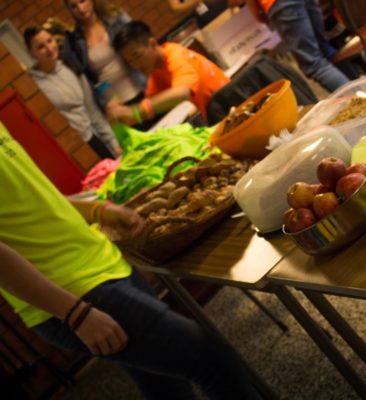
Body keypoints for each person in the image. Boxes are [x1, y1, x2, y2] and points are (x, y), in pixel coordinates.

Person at [0, 121, 261, 400]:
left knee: (165, 385)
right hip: (75, 289)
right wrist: (74, 313)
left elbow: (34, 198)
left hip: (102, 264)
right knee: (214, 361)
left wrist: (99, 211)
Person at [108, 21, 230, 125]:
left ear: (152, 44)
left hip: (230, 106)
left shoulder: (175, 55)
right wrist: (121, 115)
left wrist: (136, 112)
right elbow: (152, 103)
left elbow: (182, 92)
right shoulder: (155, 71)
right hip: (216, 115)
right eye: (130, 62)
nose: (136, 65)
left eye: (138, 56)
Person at [25, 26, 119, 159]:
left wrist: (113, 143)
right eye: (40, 47)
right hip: (67, 151)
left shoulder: (71, 66)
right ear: (31, 53)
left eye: (50, 40)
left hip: (92, 139)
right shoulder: (32, 83)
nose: (49, 48)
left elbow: (93, 113)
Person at [230, 0, 349, 92]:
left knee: (314, 64)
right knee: (325, 51)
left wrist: (258, 13)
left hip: (281, 4)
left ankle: (361, 102)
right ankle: (363, 91)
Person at [61, 0, 146, 110]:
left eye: (82, 1)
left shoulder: (116, 18)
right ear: (70, 10)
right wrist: (105, 103)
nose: (81, 9)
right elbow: (86, 80)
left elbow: (142, 45)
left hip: (142, 85)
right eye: (74, 6)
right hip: (116, 104)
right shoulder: (73, 42)